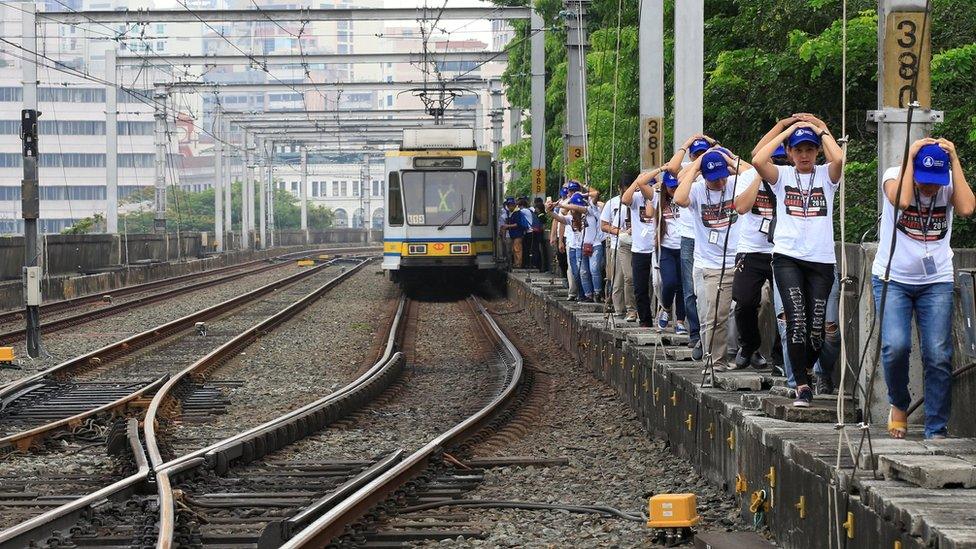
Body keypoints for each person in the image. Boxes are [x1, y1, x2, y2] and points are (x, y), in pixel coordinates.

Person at [873, 137, 973, 439]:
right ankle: (899, 404)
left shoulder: (947, 183)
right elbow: (901, 202)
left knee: (939, 354)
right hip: (893, 278)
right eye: (924, 180)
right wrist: (910, 155)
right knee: (895, 346)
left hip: (936, 281)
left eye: (935, 181)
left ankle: (936, 427)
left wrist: (954, 160)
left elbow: (968, 207)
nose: (930, 188)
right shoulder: (895, 176)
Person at [752, 114, 846, 407]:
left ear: (817, 151)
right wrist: (787, 131)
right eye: (798, 149)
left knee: (817, 328)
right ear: (790, 154)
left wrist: (821, 129)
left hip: (820, 260)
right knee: (796, 321)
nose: (804, 155)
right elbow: (758, 159)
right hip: (787, 258)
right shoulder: (782, 177)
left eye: (809, 149)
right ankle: (802, 386)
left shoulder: (826, 177)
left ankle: (806, 368)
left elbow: (840, 159)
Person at [675, 148, 749, 373]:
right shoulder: (697, 190)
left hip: (738, 259)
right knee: (715, 315)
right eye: (714, 180)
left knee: (753, 306)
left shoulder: (735, 182)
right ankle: (716, 361)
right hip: (710, 263)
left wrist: (729, 160)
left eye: (723, 177)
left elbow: (756, 173)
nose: (720, 183)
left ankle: (750, 352)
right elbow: (679, 197)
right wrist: (696, 166)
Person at [731, 144, 789, 370]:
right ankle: (749, 345)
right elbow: (741, 207)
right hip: (751, 249)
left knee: (785, 307)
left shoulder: (789, 178)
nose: (778, 164)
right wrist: (759, 175)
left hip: (782, 251)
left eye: (783, 160)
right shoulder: (748, 177)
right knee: (745, 302)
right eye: (774, 160)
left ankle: (780, 358)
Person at [668, 135, 713, 354]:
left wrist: (714, 148)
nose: (701, 157)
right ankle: (695, 333)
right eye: (697, 153)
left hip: (712, 235)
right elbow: (673, 169)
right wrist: (686, 146)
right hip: (688, 237)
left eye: (704, 152)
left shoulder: (717, 169)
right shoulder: (689, 169)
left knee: (711, 289)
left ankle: (709, 336)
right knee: (689, 288)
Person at [622, 167, 663, 327]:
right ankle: (645, 320)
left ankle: (661, 316)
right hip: (639, 249)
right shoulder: (636, 197)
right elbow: (625, 199)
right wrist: (636, 182)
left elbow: (653, 211)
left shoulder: (659, 197)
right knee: (640, 287)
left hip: (658, 248)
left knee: (659, 285)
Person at [549, 188, 603, 301]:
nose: (573, 210)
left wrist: (582, 195)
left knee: (594, 269)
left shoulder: (590, 211)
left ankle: (598, 293)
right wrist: (549, 211)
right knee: (583, 272)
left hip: (594, 245)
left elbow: (595, 194)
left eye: (574, 207)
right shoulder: (571, 218)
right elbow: (559, 218)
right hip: (580, 247)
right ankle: (588, 295)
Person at [653, 171, 688, 334]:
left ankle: (680, 320)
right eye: (671, 187)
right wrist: (660, 170)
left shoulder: (685, 199)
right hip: (666, 248)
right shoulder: (658, 201)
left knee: (683, 286)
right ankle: (665, 308)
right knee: (669, 282)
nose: (674, 190)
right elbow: (641, 183)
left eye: (676, 187)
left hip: (684, 247)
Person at [601, 172, 638, 321]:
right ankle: (620, 309)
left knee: (631, 278)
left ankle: (632, 309)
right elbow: (604, 225)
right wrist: (621, 232)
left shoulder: (639, 200)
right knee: (618, 279)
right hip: (618, 244)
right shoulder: (613, 203)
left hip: (638, 245)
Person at [500, 197, 524, 268]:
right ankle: (516, 263)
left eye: (511, 205)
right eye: (508, 205)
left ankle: (518, 264)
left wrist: (507, 226)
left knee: (517, 249)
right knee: (514, 249)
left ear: (514, 205)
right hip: (513, 234)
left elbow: (517, 224)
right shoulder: (510, 213)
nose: (509, 207)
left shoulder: (517, 213)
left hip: (518, 234)